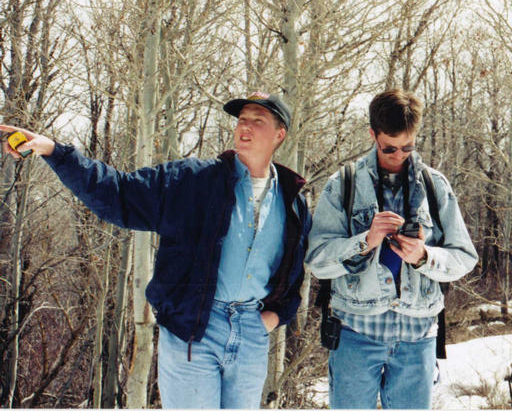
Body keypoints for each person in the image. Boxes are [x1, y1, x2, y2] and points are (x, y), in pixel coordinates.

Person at [1, 92, 311, 409]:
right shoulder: (192, 181)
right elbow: (118, 192)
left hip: (251, 333)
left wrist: (271, 319)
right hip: (194, 330)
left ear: (279, 134)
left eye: (257, 121)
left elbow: (293, 272)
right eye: (242, 119)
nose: (244, 126)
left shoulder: (293, 203)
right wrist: (53, 151)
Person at [306, 89, 478, 409]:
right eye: (389, 148)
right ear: (373, 135)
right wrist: (365, 242)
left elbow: (464, 257)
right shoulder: (343, 184)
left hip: (418, 337)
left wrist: (424, 256)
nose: (399, 155)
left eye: (408, 147)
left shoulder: (434, 186)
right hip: (356, 333)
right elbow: (317, 261)